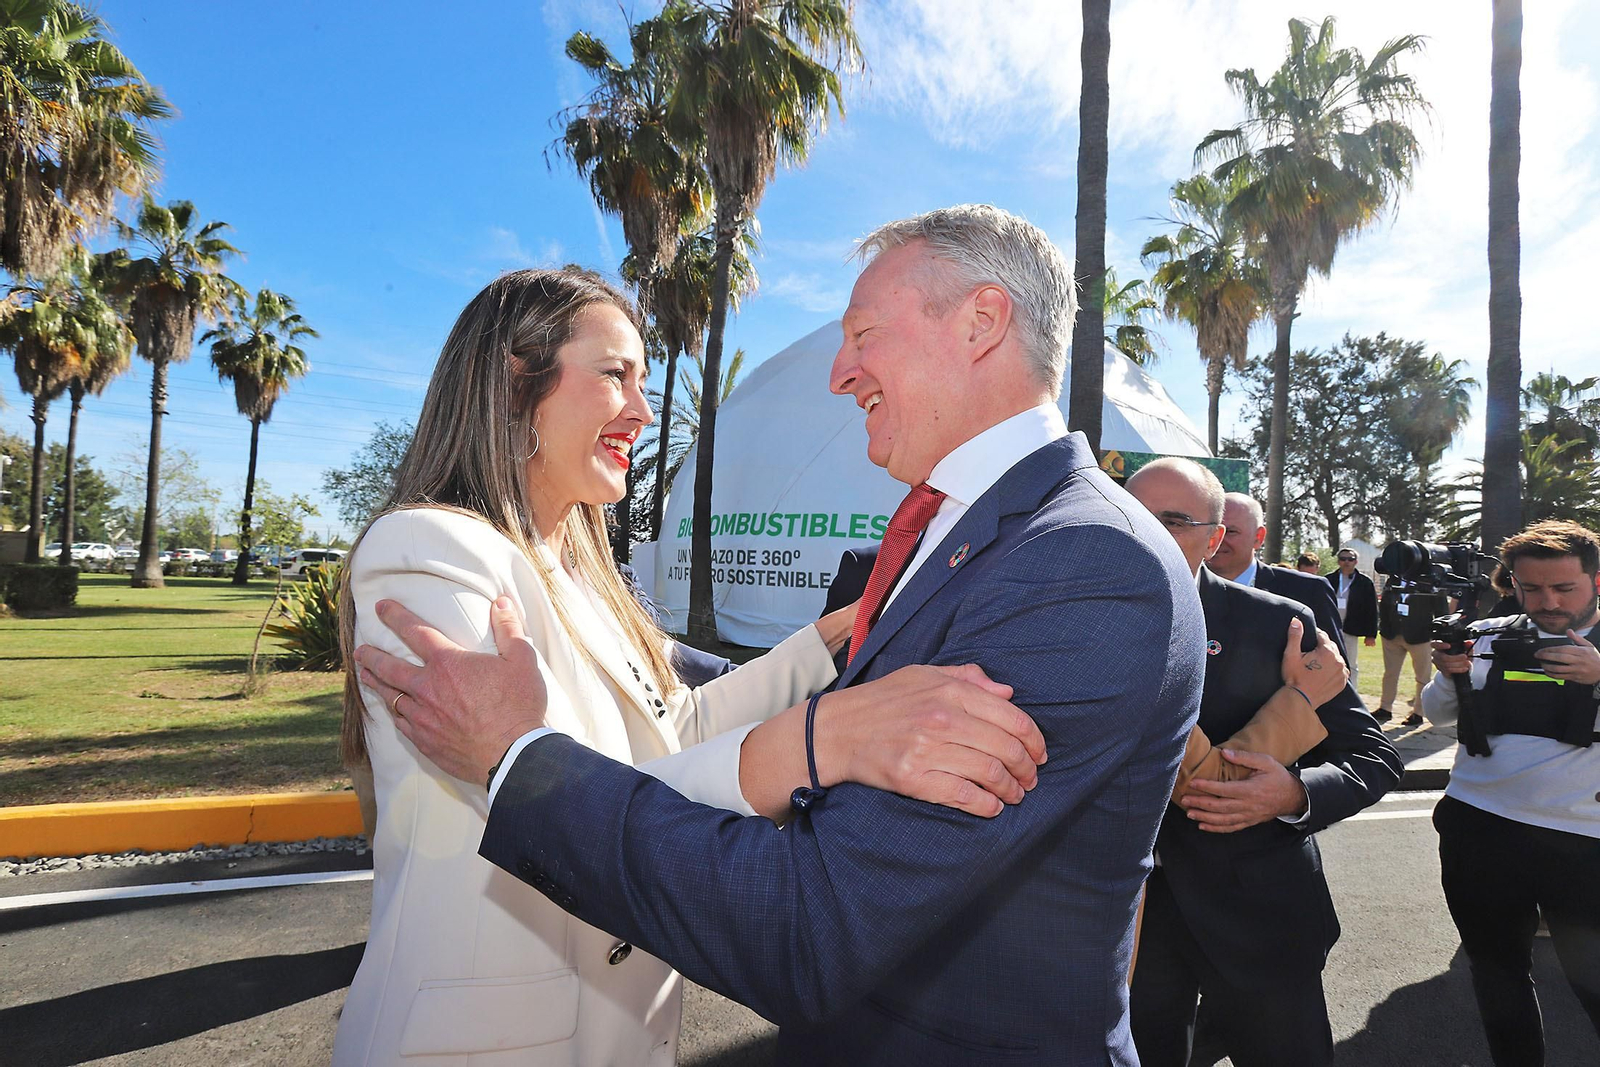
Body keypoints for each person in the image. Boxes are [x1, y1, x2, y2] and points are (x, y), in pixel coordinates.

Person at [356, 204, 1208, 1065]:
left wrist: (810, 711)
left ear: (983, 322)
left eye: (864, 332)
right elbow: (587, 758)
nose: (840, 374)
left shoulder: (1082, 560)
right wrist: (817, 730)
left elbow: (687, 782)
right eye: (619, 375)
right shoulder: (436, 550)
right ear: (513, 382)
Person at [1123, 459, 1402, 1067]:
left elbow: (1373, 756)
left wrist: (1295, 795)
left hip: (1258, 913)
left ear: (1214, 538)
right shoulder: (1068, 621)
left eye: (1171, 521)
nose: (1143, 530)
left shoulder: (1277, 622)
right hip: (1125, 919)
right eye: (1130, 513)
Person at [1422, 519, 1600, 1066]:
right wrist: (1449, 674)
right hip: (1480, 825)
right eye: (1531, 588)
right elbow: (1441, 716)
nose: (1547, 601)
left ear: (1597, 580)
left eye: (1564, 588)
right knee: (1497, 974)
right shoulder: (1492, 634)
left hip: (1582, 839)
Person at [1207, 492, 1348, 664]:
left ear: (1258, 538)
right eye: (1212, 529)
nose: (1218, 539)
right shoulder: (1182, 588)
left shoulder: (1307, 591)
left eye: (1231, 531)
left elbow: (1336, 674)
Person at [1376, 572, 1434, 726]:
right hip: (1392, 635)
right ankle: (1385, 708)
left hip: (1419, 637)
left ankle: (1418, 713)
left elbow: (1439, 608)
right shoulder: (1393, 580)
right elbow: (1384, 604)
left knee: (1422, 676)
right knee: (1390, 674)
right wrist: (1384, 628)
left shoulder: (1427, 581)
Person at [1324, 546, 1378, 688]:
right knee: (1327, 660)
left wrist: (1371, 634)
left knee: (1351, 664)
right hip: (1330, 627)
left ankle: (1352, 692)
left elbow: (1372, 609)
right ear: (1338, 561)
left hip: (1351, 628)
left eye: (1350, 559)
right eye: (1343, 559)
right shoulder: (1328, 579)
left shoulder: (1364, 582)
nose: (1346, 562)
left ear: (1356, 561)